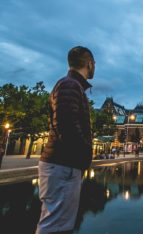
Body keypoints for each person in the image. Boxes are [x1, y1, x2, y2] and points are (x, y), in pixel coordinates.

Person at [36, 46, 95, 234]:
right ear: (88, 63)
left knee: (58, 224)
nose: (94, 67)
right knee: (55, 225)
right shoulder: (70, 85)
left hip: (64, 164)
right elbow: (67, 126)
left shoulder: (71, 85)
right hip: (63, 165)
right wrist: (83, 153)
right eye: (94, 64)